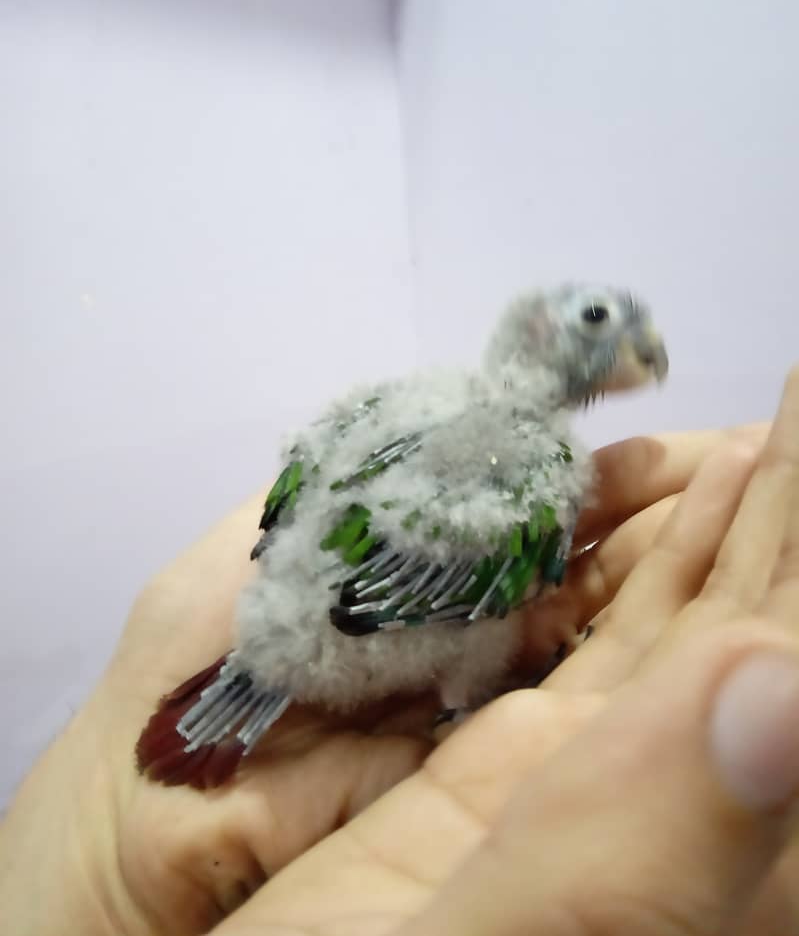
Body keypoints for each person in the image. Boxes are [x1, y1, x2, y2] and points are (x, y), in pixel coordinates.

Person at [3, 369, 799, 936]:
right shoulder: (514, 481)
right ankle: (443, 700)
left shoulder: (418, 421)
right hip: (364, 626)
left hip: (327, 611)